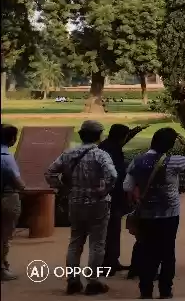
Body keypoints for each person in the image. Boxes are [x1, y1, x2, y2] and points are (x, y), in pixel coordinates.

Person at [124, 128, 185, 299]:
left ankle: (145, 290)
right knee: (167, 252)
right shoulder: (172, 161)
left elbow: (127, 187)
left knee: (146, 252)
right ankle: (165, 290)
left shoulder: (137, 161)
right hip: (169, 214)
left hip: (146, 214)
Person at [45, 120, 117, 295]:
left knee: (75, 241)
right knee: (97, 243)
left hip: (75, 200)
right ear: (99, 135)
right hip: (97, 203)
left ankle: (73, 281)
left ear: (81, 134)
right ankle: (93, 281)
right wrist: (104, 190)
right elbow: (113, 175)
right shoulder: (101, 155)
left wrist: (63, 187)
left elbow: (50, 172)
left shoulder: (68, 154)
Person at [100, 124, 147, 275]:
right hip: (112, 196)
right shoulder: (111, 150)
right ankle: (108, 264)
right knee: (110, 230)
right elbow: (118, 173)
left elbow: (119, 140)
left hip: (110, 195)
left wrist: (133, 132)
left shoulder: (107, 145)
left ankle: (112, 260)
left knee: (113, 230)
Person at [1, 124, 26, 281]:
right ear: (11, 139)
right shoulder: (7, 157)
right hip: (7, 197)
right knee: (4, 235)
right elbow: (18, 183)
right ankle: (2, 268)